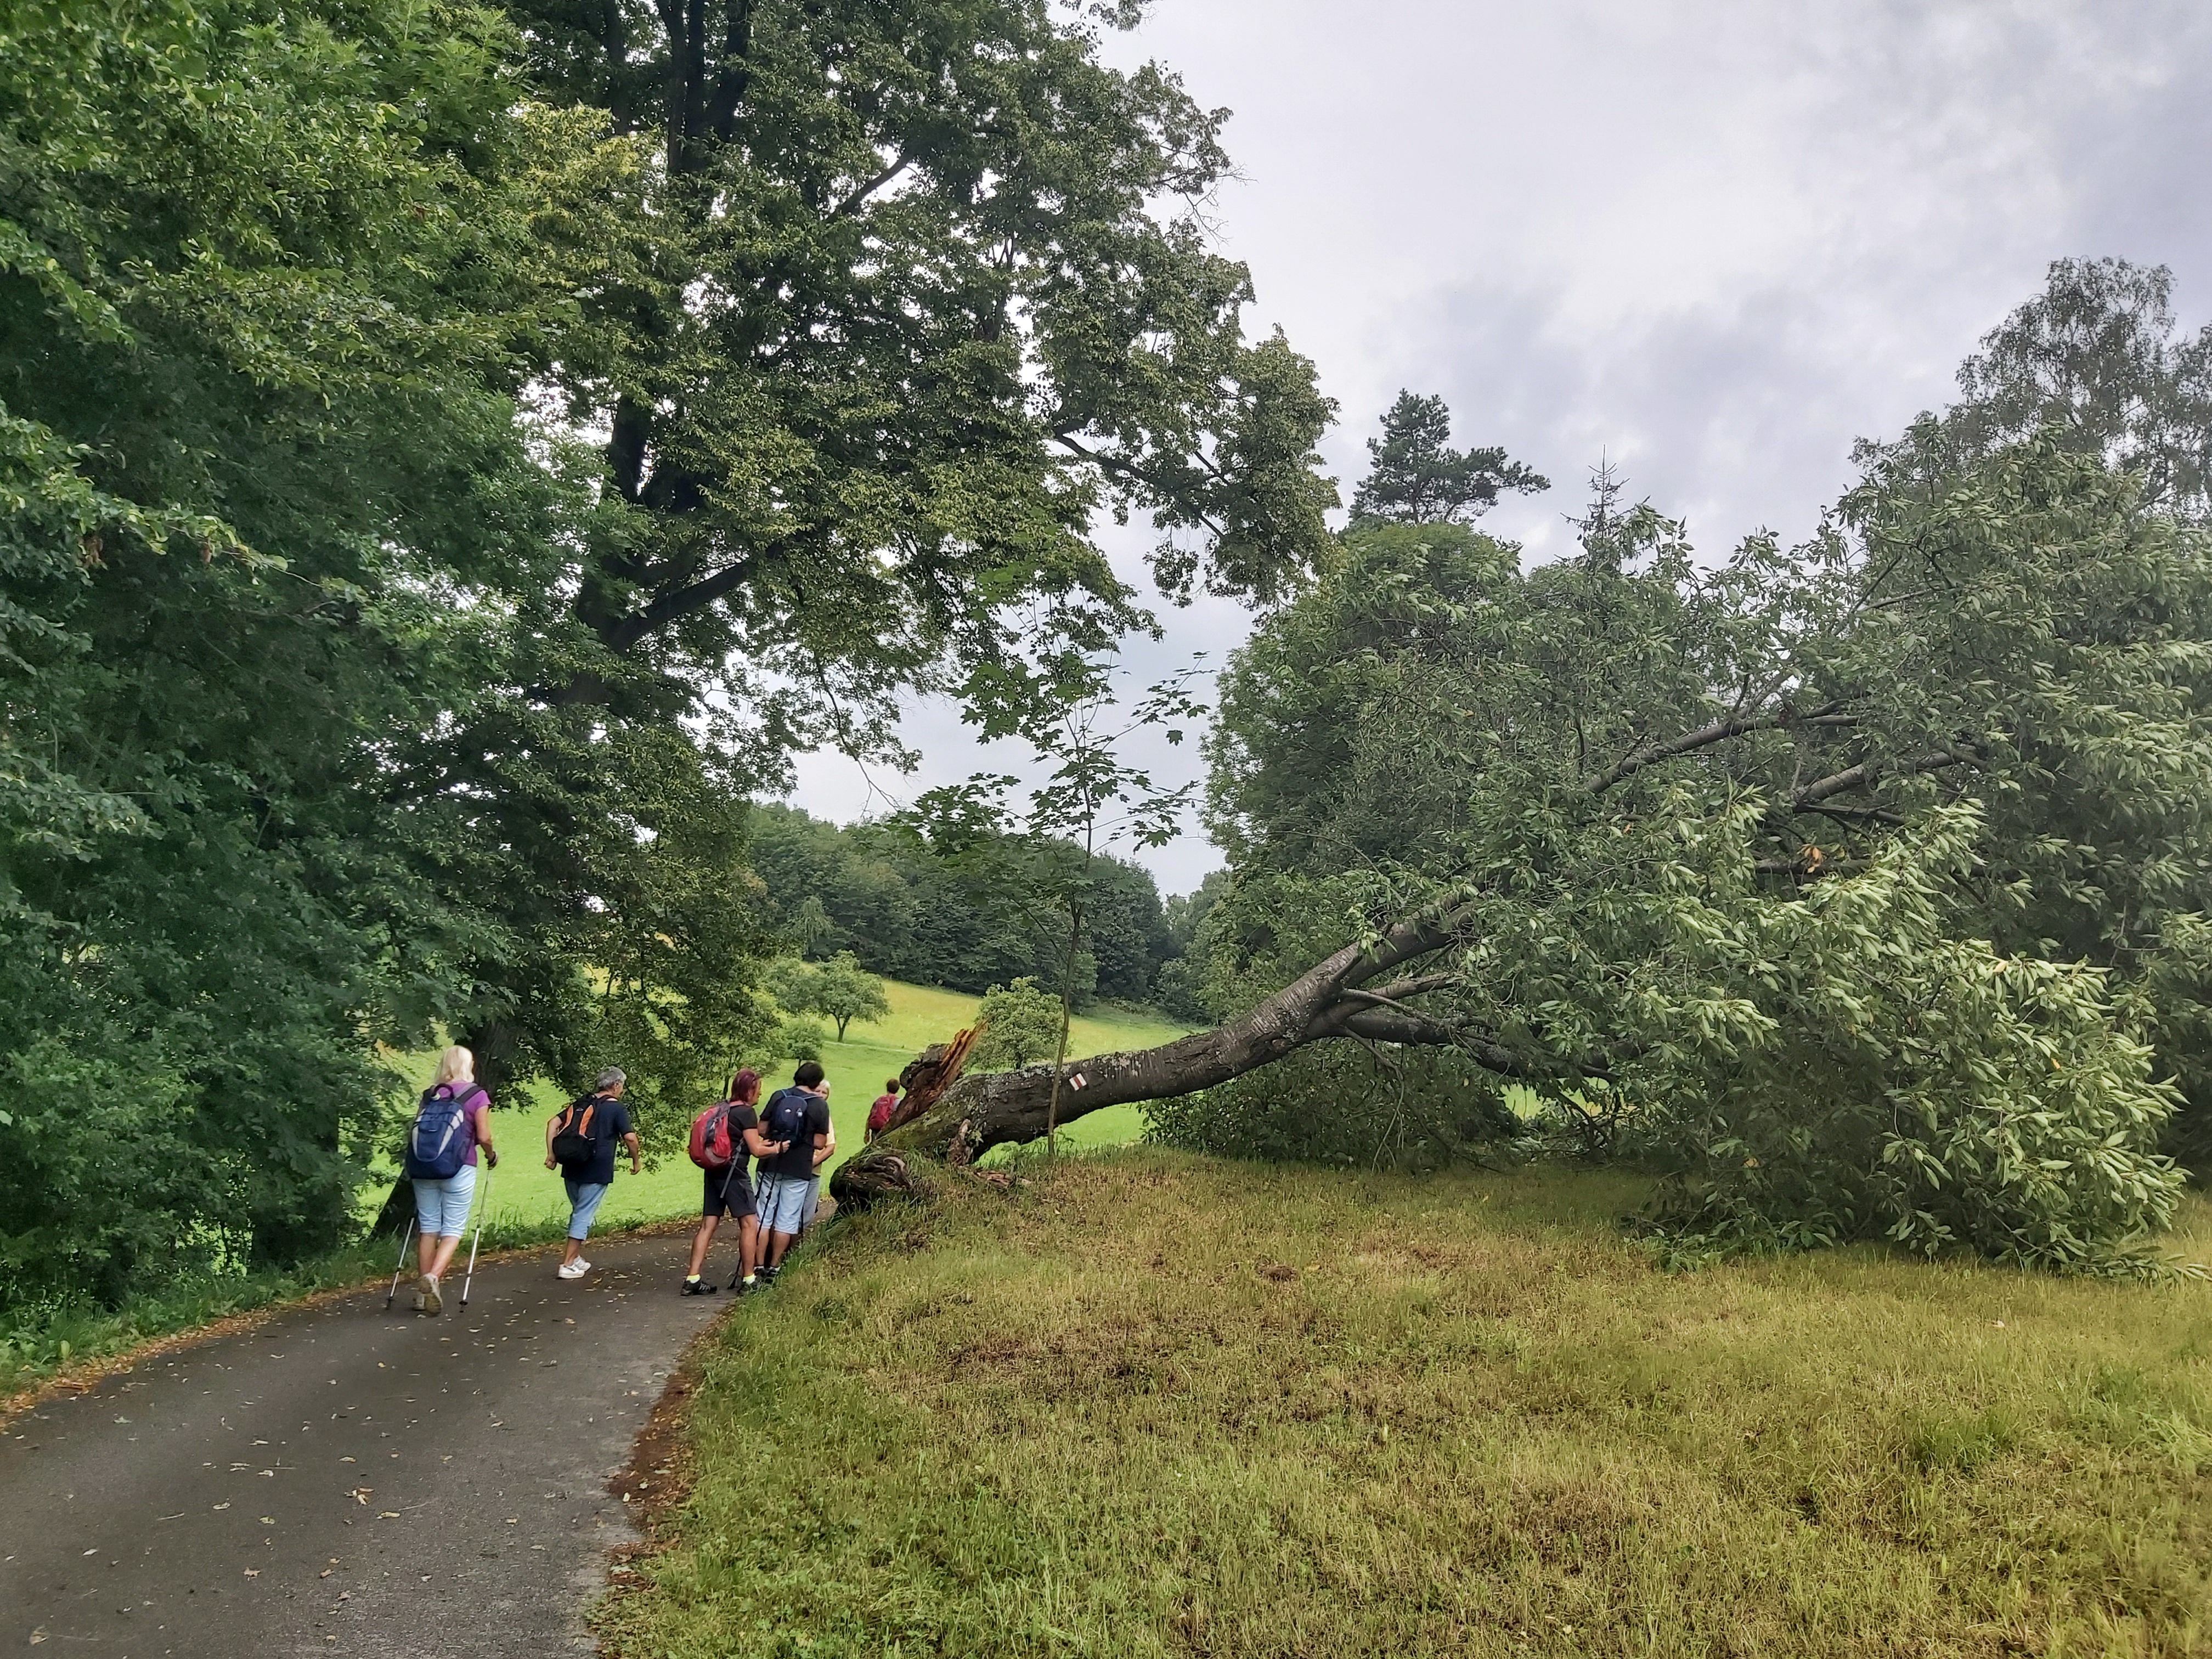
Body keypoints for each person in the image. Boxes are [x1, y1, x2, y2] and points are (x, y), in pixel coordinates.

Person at [408, 1046, 496, 1316]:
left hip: (424, 1167)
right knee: (453, 1229)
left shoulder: (431, 1094)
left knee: (429, 1227)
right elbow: (483, 1136)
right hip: (460, 1168)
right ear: (469, 1065)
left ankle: (423, 1295)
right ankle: (433, 1278)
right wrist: (492, 1155)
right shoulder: (476, 1094)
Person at [680, 1069, 786, 1296]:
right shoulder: (747, 1113)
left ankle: (692, 1278)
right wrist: (778, 1148)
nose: (760, 1093)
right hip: (735, 1175)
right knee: (749, 1224)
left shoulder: (723, 1108)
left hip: (714, 1170)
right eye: (758, 1089)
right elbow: (756, 1150)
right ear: (749, 1090)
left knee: (708, 1225)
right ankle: (749, 1279)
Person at [545, 1067, 639, 1281]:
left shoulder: (581, 1103)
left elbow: (553, 1123)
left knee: (579, 1211)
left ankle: (576, 1257)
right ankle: (567, 1264)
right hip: (596, 1169)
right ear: (615, 1086)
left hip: (571, 1165)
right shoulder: (616, 1109)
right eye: (621, 1086)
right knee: (583, 1215)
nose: (622, 1091)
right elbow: (631, 1139)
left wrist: (552, 1154)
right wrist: (636, 1160)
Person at [753, 1062, 833, 1279]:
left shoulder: (779, 1096)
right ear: (817, 1082)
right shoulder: (819, 1105)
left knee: (763, 1215)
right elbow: (819, 1142)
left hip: (770, 1161)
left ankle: (758, 1264)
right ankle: (775, 1265)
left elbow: (761, 1129)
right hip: (799, 1168)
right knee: (787, 1219)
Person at [865, 1077, 901, 1142]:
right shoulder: (897, 1101)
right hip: (886, 1126)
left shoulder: (879, 1100)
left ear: (887, 1087)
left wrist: (867, 1133)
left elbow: (871, 1115)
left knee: (874, 1144)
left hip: (875, 1126)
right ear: (898, 1089)